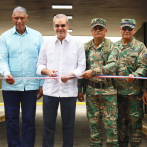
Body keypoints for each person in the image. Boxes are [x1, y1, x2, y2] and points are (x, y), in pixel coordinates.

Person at [84, 19, 147, 147]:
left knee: (135, 127)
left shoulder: (140, 47)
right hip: (116, 94)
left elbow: (144, 67)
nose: (127, 31)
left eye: (130, 29)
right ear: (120, 29)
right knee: (119, 129)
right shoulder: (114, 46)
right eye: (124, 28)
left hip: (133, 94)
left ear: (134, 30)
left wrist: (136, 77)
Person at [36, 14, 86, 147]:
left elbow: (82, 67)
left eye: (63, 25)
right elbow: (39, 65)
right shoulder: (46, 44)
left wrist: (71, 75)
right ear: (53, 27)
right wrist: (47, 72)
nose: (60, 28)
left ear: (68, 26)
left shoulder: (77, 44)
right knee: (48, 127)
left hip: (69, 93)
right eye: (57, 25)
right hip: (50, 92)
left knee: (68, 128)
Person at [0, 6, 44, 147]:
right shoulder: (4, 37)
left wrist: (41, 84)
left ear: (27, 18)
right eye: (16, 18)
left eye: (22, 18)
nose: (19, 21)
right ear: (12, 19)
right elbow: (2, 59)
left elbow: (42, 61)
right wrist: (6, 74)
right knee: (11, 120)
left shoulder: (37, 36)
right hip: (10, 87)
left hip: (30, 87)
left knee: (29, 120)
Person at [78, 18, 119, 147]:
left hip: (108, 93)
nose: (97, 30)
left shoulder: (113, 46)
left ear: (105, 30)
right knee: (93, 126)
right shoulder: (85, 47)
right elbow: (81, 68)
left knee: (111, 126)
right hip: (91, 92)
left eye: (100, 28)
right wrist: (80, 90)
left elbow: (114, 66)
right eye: (95, 28)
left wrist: (94, 71)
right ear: (91, 31)